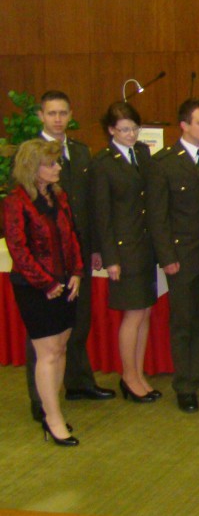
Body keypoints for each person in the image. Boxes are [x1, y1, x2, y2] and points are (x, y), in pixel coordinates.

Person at [25, 91, 111, 423]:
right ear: (41, 116)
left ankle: (78, 382)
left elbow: (90, 203)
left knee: (78, 320)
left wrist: (96, 247)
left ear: (71, 114)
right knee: (45, 331)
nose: (58, 119)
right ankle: (40, 398)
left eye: (63, 113)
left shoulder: (80, 151)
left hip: (79, 250)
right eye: (52, 113)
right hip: (46, 255)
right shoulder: (31, 152)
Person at [3, 140, 86, 446]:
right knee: (47, 352)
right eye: (51, 164)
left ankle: (54, 410)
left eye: (57, 162)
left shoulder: (58, 196)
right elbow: (18, 250)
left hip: (64, 282)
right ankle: (51, 419)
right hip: (35, 287)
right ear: (32, 167)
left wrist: (76, 272)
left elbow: (72, 236)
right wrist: (46, 283)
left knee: (61, 348)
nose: (58, 168)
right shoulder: (15, 201)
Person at [146, 98, 199, 413]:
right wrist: (166, 256)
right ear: (184, 126)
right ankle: (186, 384)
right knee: (185, 321)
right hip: (183, 255)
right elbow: (158, 216)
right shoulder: (165, 163)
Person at [90, 101, 158, 403]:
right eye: (124, 130)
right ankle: (128, 378)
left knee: (145, 311)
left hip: (145, 246)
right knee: (133, 313)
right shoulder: (103, 163)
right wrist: (110, 258)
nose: (131, 134)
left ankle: (139, 374)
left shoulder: (142, 153)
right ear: (111, 130)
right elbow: (102, 215)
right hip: (123, 249)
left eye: (134, 128)